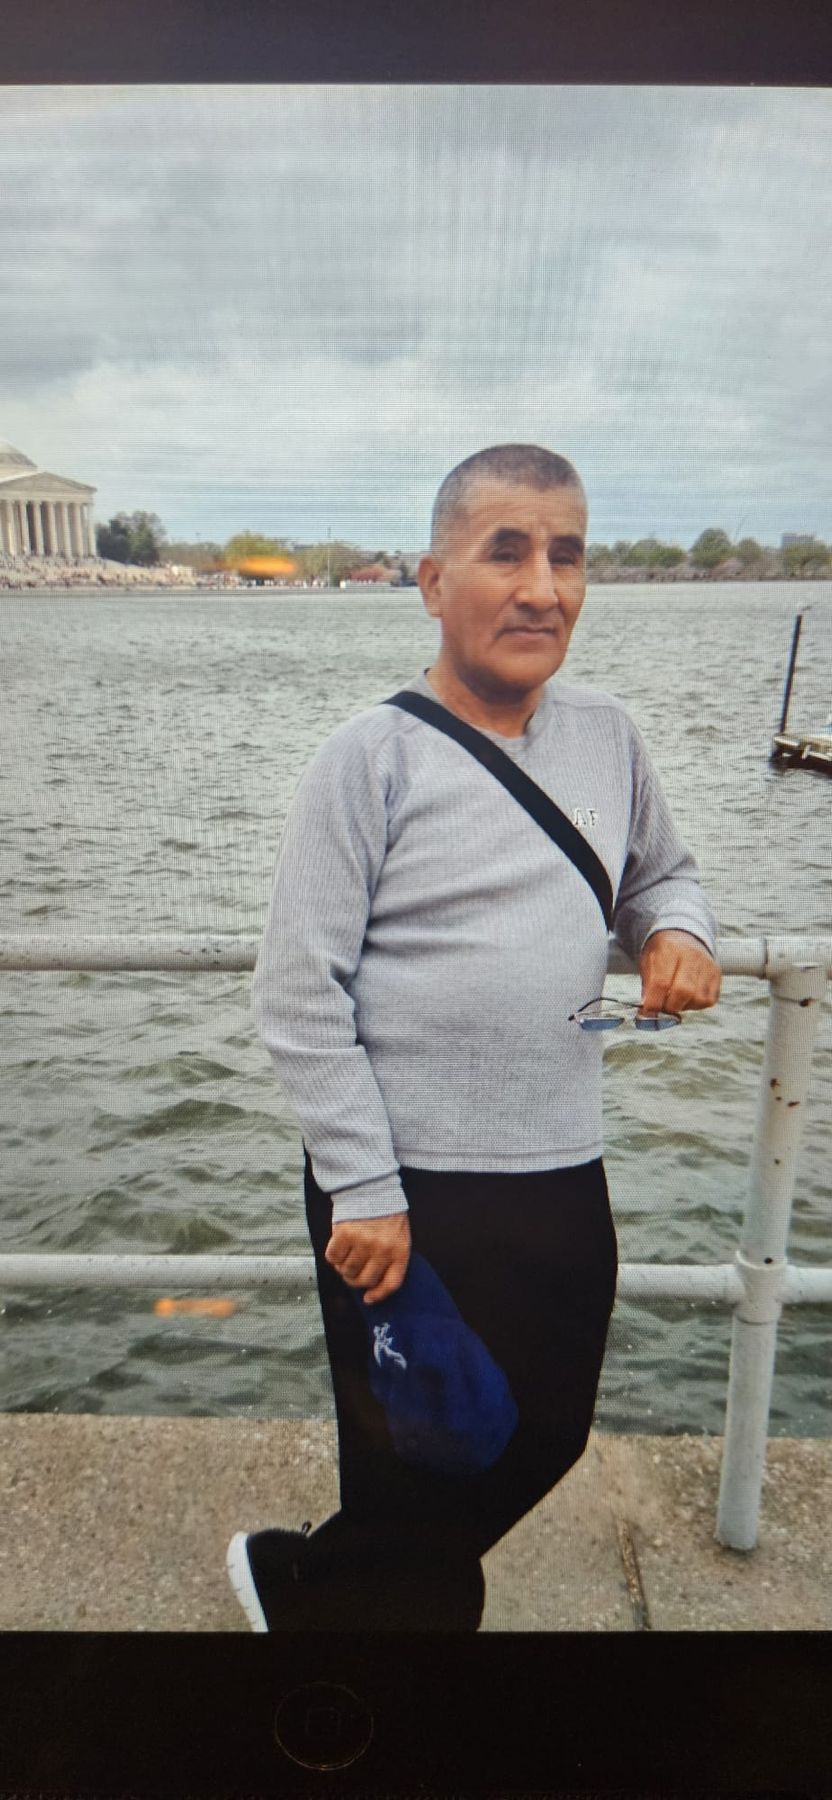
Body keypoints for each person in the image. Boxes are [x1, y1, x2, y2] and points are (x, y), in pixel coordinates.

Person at [227, 443, 721, 1632]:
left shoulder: (610, 737)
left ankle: (307, 1585)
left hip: (559, 1163)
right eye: (507, 553)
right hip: (403, 1193)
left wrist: (677, 932)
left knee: (548, 1432)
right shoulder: (368, 758)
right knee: (417, 1468)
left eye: (568, 556)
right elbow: (298, 990)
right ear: (434, 582)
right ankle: (374, 1664)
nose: (543, 588)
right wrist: (363, 1186)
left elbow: (662, 872)